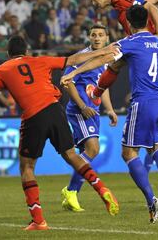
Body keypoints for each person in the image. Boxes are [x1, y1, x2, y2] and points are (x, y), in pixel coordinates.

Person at [0, 35, 119, 231]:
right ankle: (102, 189)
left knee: (27, 168)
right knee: (72, 155)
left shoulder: (2, 69)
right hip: (56, 110)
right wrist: (102, 51)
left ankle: (38, 221)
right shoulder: (39, 60)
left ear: (8, 54)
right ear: (27, 52)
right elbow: (74, 60)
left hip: (34, 116)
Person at [61, 5, 158, 223]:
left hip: (143, 102)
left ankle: (151, 200)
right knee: (155, 146)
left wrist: (77, 71)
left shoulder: (129, 43)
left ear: (127, 23)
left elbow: (102, 58)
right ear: (148, 21)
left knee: (128, 153)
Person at [61, 24, 118, 212]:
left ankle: (71, 192)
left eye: (101, 35)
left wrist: (109, 109)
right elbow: (67, 82)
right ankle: (71, 191)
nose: (97, 38)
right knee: (93, 149)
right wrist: (83, 106)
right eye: (93, 35)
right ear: (89, 37)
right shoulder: (82, 58)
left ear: (106, 38)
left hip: (93, 111)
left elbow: (104, 87)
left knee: (89, 152)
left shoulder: (107, 60)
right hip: (80, 110)